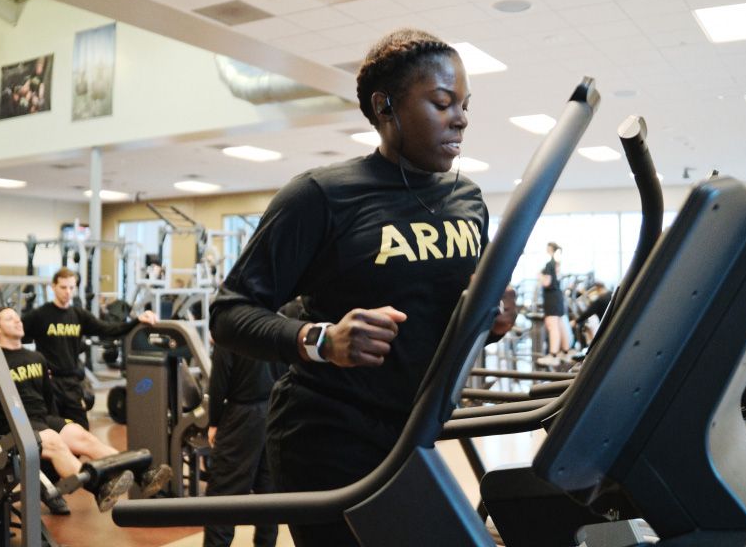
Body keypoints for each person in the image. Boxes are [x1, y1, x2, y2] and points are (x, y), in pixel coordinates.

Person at [210, 28, 514, 546]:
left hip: (413, 432)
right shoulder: (321, 196)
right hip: (328, 436)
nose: (461, 118)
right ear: (384, 106)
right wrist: (322, 340)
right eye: (442, 103)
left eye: (464, 105)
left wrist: (494, 320)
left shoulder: (467, 199)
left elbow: (448, 316)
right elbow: (229, 313)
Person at [0, 307, 172, 513]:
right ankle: (99, 488)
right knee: (54, 441)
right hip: (14, 425)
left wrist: (57, 424)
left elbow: (48, 399)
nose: (18, 321)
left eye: (17, 317)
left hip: (42, 419)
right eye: (9, 319)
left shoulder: (36, 358)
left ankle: (142, 473)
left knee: (82, 436)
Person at [21, 267, 157, 429]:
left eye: (71, 288)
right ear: (53, 287)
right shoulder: (40, 315)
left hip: (71, 382)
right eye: (63, 287)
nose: (68, 292)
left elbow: (109, 329)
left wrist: (137, 321)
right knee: (52, 430)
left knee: (81, 429)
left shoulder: (79, 315)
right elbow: (15, 337)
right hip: (49, 382)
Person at [202, 341, 284, 547]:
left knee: (223, 495)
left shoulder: (230, 331)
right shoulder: (279, 325)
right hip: (276, 411)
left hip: (242, 416)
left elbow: (219, 381)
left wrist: (214, 422)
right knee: (268, 492)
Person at [537, 241, 571, 366]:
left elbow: (547, 283)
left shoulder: (549, 264)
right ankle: (565, 352)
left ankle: (553, 355)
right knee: (560, 324)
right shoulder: (557, 263)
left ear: (550, 249)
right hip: (558, 297)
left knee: (552, 326)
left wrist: (540, 276)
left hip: (551, 297)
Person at [570, 281, 612, 346]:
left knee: (587, 326)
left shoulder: (600, 300)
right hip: (611, 323)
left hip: (606, 327)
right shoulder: (611, 294)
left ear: (598, 289)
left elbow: (588, 313)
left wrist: (576, 321)